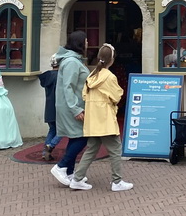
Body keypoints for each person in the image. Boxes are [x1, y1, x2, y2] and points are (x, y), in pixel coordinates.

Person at [69, 43, 133, 192]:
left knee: (91, 149)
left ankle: (77, 178)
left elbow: (84, 95)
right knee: (116, 148)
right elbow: (117, 96)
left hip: (92, 117)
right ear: (112, 59)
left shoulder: (91, 75)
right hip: (105, 117)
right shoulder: (109, 77)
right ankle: (117, 181)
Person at [50, 31, 91, 187]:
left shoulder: (71, 60)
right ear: (80, 43)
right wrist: (76, 109)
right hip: (71, 107)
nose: (87, 44)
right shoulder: (72, 62)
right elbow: (68, 87)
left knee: (75, 137)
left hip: (71, 106)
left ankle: (70, 172)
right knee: (82, 136)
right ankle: (61, 166)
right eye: (86, 41)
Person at [37, 55, 62, 161]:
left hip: (49, 108)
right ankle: (50, 145)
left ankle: (45, 152)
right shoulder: (60, 77)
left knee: (52, 129)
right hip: (58, 107)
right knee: (62, 130)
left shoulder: (47, 77)